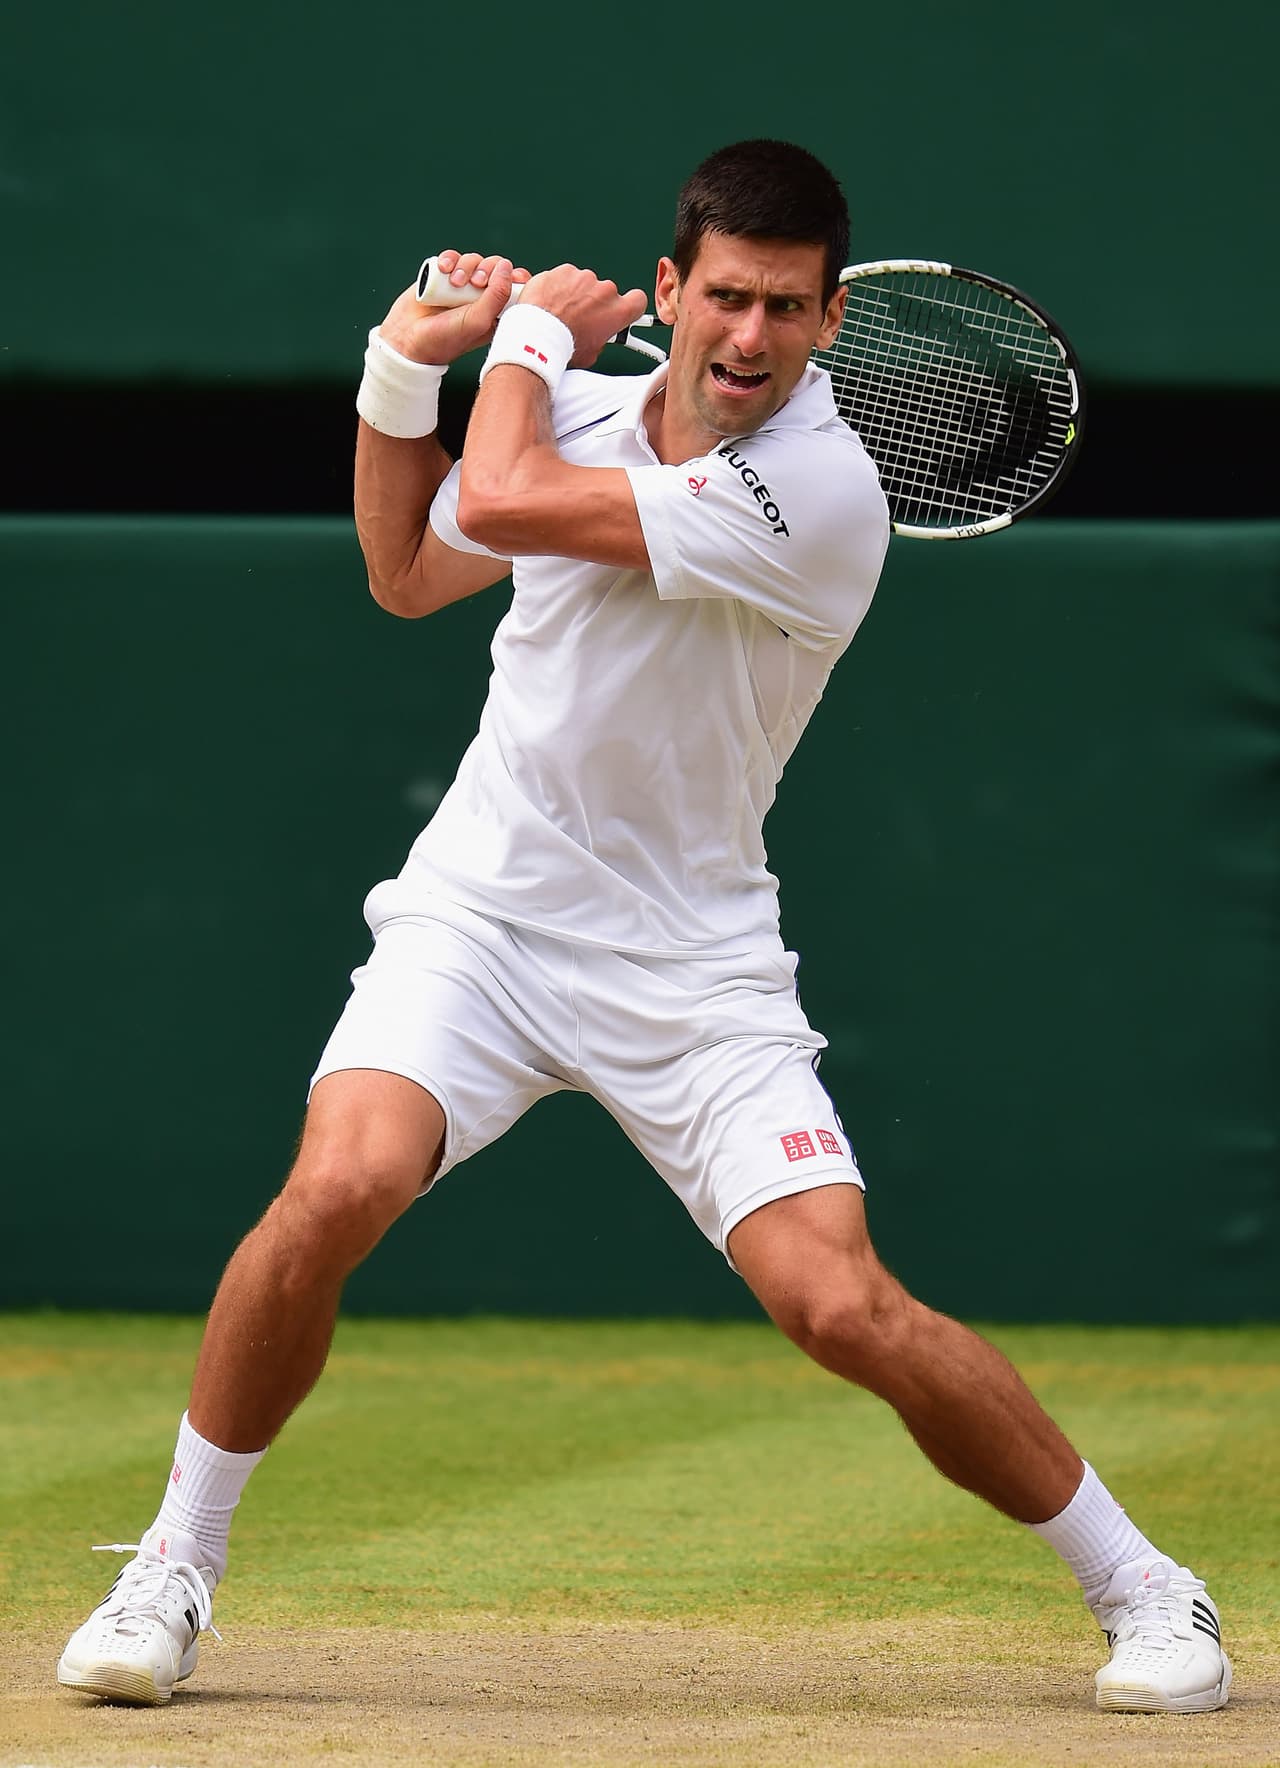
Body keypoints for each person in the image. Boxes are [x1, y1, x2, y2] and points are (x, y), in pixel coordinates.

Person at [58, 139, 1228, 1717]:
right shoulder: (591, 409)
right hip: (481, 919)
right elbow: (407, 570)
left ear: (830, 324)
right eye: (728, 297)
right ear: (673, 289)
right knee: (336, 1184)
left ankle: (1151, 1591)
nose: (752, 337)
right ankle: (169, 1573)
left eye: (789, 308)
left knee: (843, 1306)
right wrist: (402, 367)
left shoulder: (821, 488)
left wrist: (524, 343)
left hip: (691, 969)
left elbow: (516, 492)